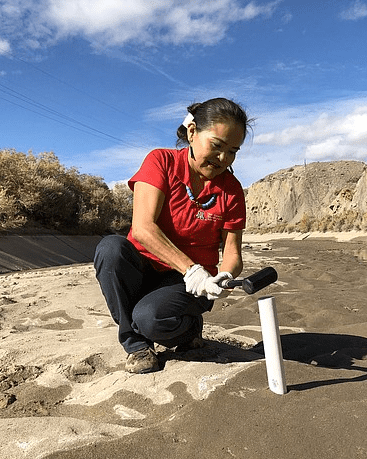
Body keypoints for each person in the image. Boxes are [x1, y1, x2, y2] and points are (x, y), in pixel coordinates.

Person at [94, 97, 251, 374]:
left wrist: (223, 277)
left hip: (190, 285)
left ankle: (188, 329)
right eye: (216, 146)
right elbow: (142, 229)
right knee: (110, 249)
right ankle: (136, 346)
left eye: (233, 151)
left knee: (150, 318)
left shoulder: (232, 190)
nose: (223, 158)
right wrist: (192, 269)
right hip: (153, 270)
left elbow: (232, 252)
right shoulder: (161, 162)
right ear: (192, 133)